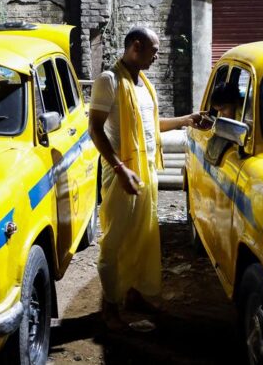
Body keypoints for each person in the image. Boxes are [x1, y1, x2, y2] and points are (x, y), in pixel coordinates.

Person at [88, 26, 202, 330]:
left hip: (146, 171)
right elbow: (94, 129)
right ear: (136, 47)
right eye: (154, 51)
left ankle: (134, 294)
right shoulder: (109, 81)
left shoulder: (143, 84)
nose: (157, 57)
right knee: (115, 241)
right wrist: (119, 168)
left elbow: (151, 124)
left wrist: (187, 120)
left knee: (143, 237)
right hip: (122, 173)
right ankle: (110, 307)